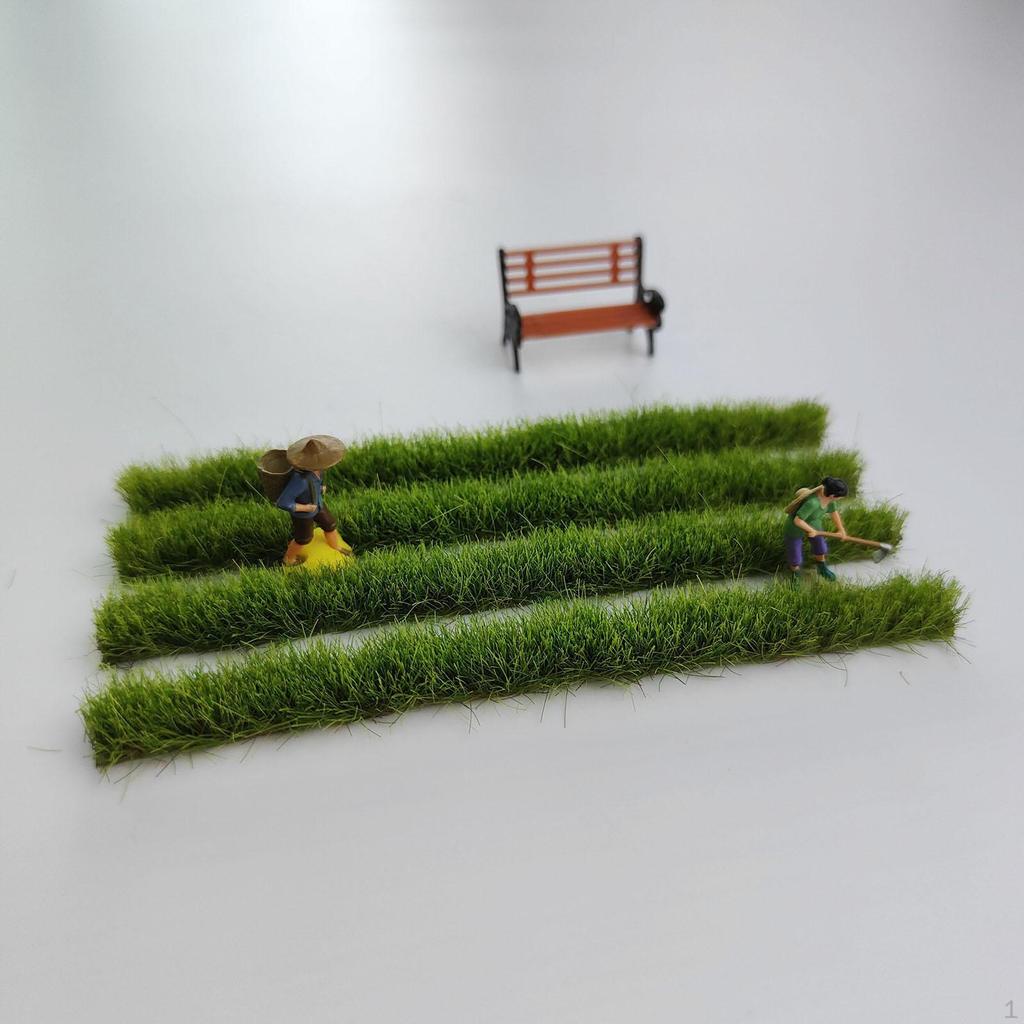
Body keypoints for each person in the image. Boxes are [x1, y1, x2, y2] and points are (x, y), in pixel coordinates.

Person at [274, 434, 353, 566]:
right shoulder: (300, 480)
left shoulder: (318, 472)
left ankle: (336, 547)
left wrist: (319, 489)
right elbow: (283, 502)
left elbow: (312, 486)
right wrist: (305, 508)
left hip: (318, 504)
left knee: (330, 524)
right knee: (303, 539)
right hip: (303, 514)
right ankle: (289, 559)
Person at [783, 476, 849, 582]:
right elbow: (797, 521)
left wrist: (841, 529)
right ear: (832, 495)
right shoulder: (813, 503)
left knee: (820, 547)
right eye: (840, 497)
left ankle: (821, 567)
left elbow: (834, 513)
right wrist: (811, 530)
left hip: (814, 522)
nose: (840, 499)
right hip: (795, 527)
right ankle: (795, 574)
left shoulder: (830, 500)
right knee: (795, 554)